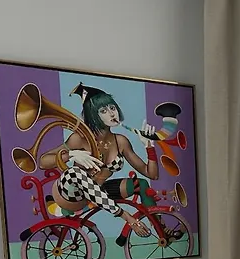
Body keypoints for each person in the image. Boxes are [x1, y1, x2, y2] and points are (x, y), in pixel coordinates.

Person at [41, 83, 178, 239]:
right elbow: (43, 162)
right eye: (103, 111)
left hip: (100, 192)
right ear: (92, 114)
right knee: (75, 172)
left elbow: (152, 175)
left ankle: (161, 230)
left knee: (141, 184)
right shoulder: (79, 139)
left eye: (112, 108)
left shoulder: (121, 142)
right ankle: (127, 217)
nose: (112, 113)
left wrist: (149, 147)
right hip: (72, 195)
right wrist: (71, 155)